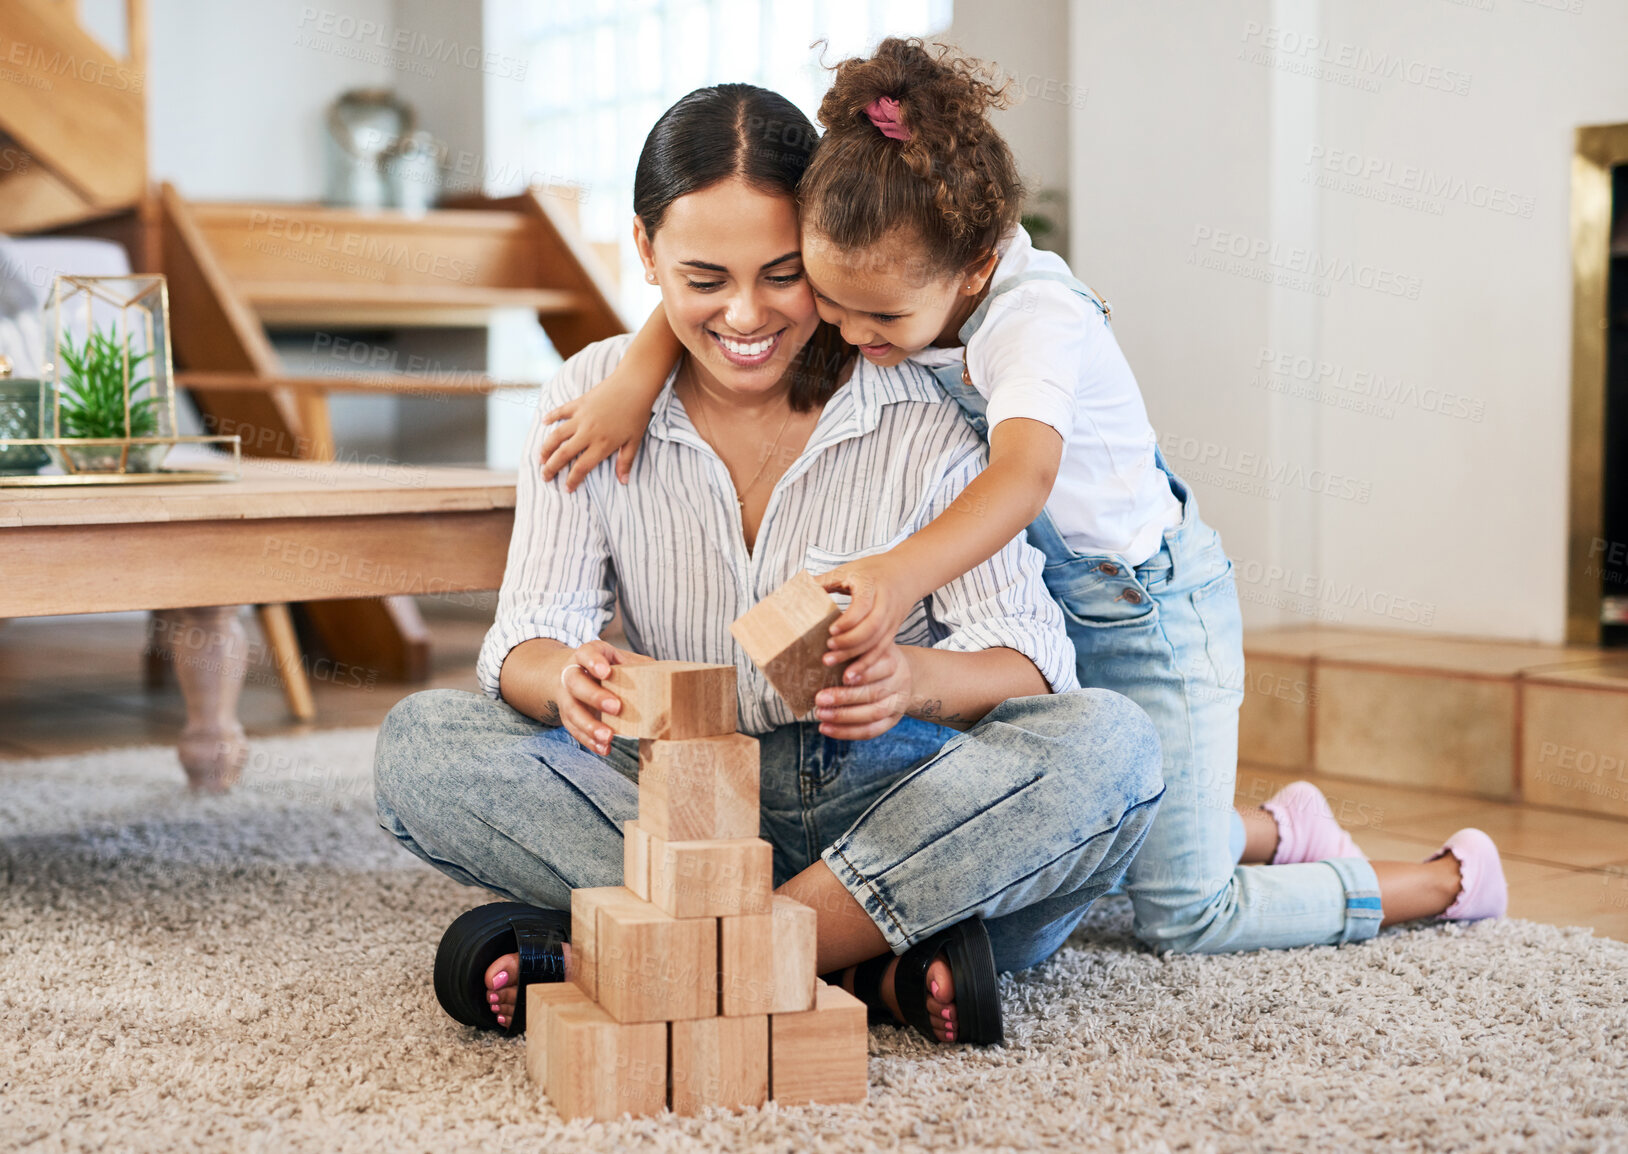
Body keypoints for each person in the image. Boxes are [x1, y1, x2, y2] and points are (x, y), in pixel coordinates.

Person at [534, 40, 1507, 956]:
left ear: (977, 265)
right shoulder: (885, 281)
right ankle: (1272, 823)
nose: (832, 330)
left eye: (864, 314)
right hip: (1034, 581)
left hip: (1142, 606)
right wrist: (630, 379)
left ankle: (1433, 880)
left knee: (1179, 908)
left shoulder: (1032, 320)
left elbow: (1021, 477)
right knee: (1096, 805)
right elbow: (718, 289)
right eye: (826, 300)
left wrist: (888, 573)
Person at [373, 82, 1167, 1047]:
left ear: (827, 254)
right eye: (703, 280)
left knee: (1109, 749)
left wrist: (912, 678)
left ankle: (667, 950)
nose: (745, 316)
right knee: (423, 741)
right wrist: (568, 680)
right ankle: (869, 960)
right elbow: (526, 636)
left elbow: (1033, 664)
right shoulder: (592, 395)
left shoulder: (915, 402)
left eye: (782, 275)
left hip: (882, 790)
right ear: (645, 252)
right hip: (671, 796)